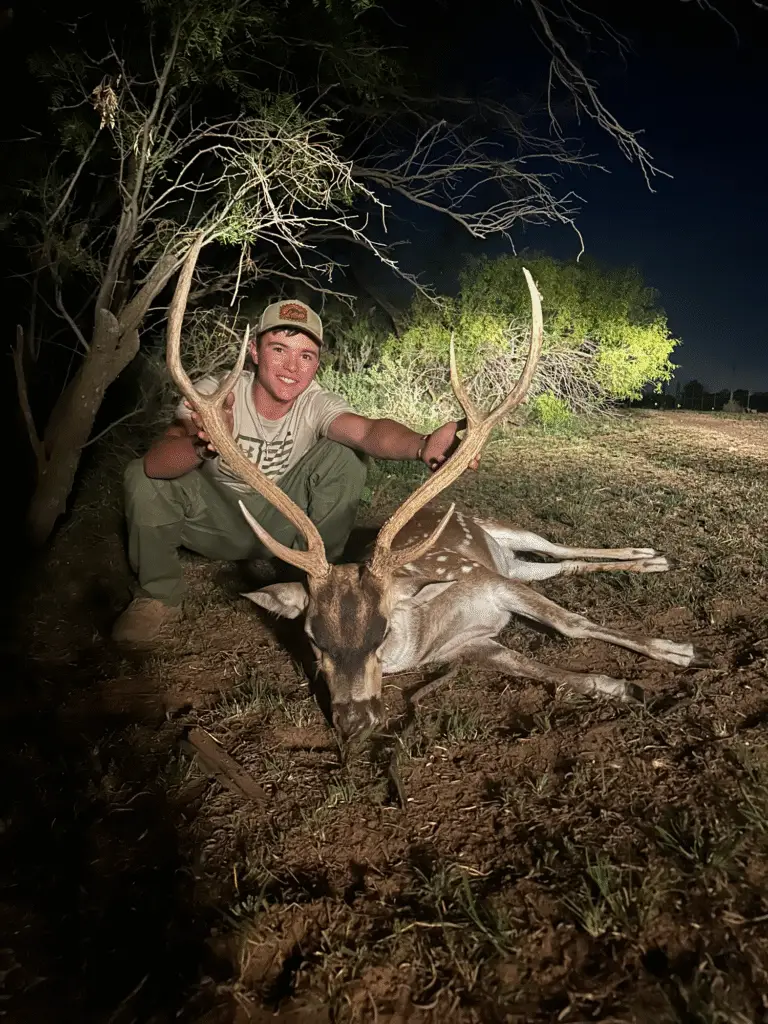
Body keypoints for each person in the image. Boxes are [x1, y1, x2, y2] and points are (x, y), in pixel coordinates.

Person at [112, 298, 473, 644]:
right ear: (254, 351)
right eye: (279, 349)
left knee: (345, 456)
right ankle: (159, 596)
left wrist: (422, 444)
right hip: (212, 520)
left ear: (316, 364)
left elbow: (367, 432)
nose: (292, 367)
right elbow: (156, 463)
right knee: (140, 476)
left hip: (280, 525)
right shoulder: (215, 392)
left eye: (306, 355)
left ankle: (314, 578)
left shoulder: (314, 402)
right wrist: (203, 443)